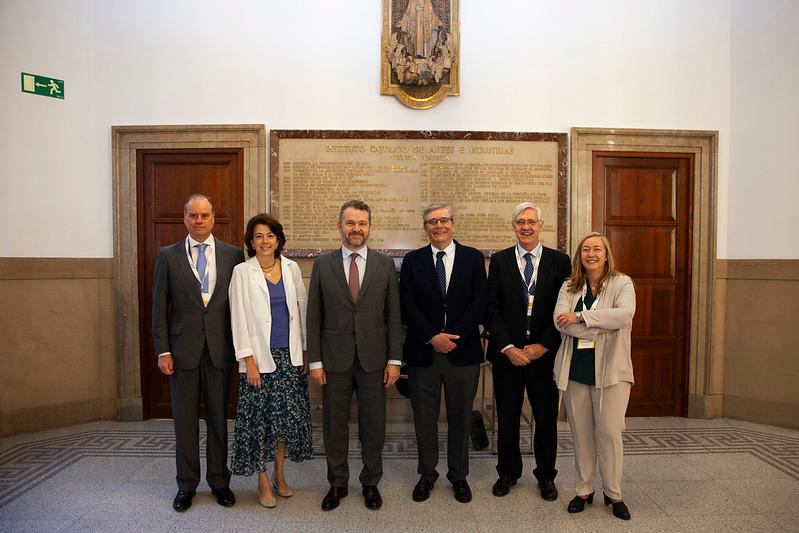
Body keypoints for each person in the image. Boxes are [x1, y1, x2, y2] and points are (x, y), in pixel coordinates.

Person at [306, 200, 402, 511]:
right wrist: (316, 362)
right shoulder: (323, 265)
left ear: (370, 227)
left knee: (373, 424)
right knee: (335, 425)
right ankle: (337, 484)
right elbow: (314, 317)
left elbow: (393, 317)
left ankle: (371, 483)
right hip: (334, 361)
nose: (356, 229)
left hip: (375, 360)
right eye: (350, 223)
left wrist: (394, 360)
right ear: (340, 227)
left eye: (361, 223)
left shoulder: (385, 266)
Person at [152, 193, 245, 512]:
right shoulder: (168, 255)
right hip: (182, 352)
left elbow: (240, 306)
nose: (199, 221)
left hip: (220, 351)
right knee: (185, 422)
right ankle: (186, 485)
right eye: (193, 215)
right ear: (184, 219)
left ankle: (220, 482)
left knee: (219, 420)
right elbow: (158, 309)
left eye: (205, 215)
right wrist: (163, 350)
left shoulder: (234, 255)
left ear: (214, 218)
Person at [400, 203, 488, 504]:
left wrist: (454, 338)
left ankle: (458, 476)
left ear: (453, 224)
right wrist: (432, 337)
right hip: (423, 353)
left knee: (461, 418)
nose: (439, 226)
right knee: (424, 417)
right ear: (425, 227)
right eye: (432, 221)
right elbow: (407, 305)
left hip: (462, 353)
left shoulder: (473, 258)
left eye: (444, 220)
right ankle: (426, 474)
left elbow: (480, 302)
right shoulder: (412, 261)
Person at [487, 202, 571, 501]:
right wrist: (508, 348)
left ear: (540, 226)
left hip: (544, 356)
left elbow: (565, 309)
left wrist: (544, 345)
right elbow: (492, 310)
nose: (526, 227)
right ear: (513, 226)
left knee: (546, 419)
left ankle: (546, 476)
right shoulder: (499, 261)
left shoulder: (560, 262)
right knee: (507, 417)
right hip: (507, 357)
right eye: (520, 222)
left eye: (531, 222)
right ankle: (508, 473)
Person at [228, 213, 313, 508]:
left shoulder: (290, 268)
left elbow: (301, 311)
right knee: (259, 423)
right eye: (258, 237)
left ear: (278, 239)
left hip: (289, 358)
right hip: (259, 361)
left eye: (270, 236)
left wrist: (304, 350)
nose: (265, 242)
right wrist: (247, 360)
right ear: (251, 242)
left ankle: (280, 473)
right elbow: (238, 318)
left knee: (284, 422)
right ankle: (262, 480)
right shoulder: (242, 272)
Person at [553, 232, 636, 520]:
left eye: (596, 249)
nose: (591, 254)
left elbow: (624, 315)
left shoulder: (621, 282)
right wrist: (601, 325)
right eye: (586, 249)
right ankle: (584, 490)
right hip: (576, 370)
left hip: (612, 373)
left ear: (606, 254)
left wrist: (581, 317)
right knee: (582, 435)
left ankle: (614, 494)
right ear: (580, 255)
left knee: (611, 434)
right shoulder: (569, 286)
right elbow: (559, 322)